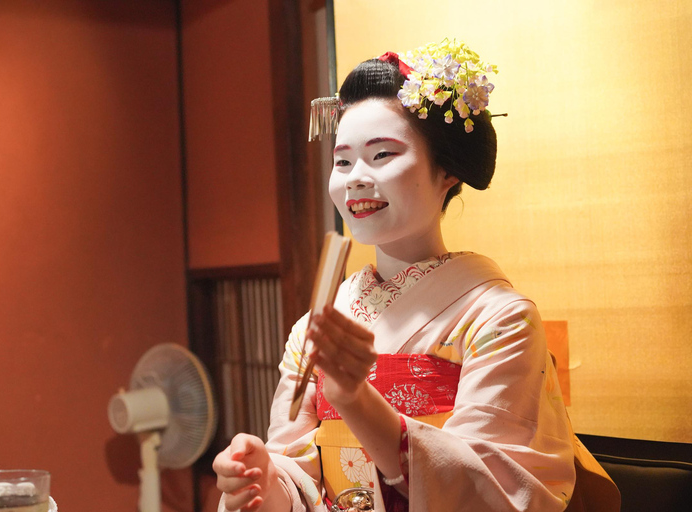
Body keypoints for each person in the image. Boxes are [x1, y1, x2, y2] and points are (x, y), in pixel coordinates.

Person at [213, 40, 618, 512]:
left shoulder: (500, 321)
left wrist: (356, 400)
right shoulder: (312, 329)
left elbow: (487, 489)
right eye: (342, 161)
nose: (355, 178)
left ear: (446, 171)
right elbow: (298, 472)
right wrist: (264, 478)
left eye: (382, 155)